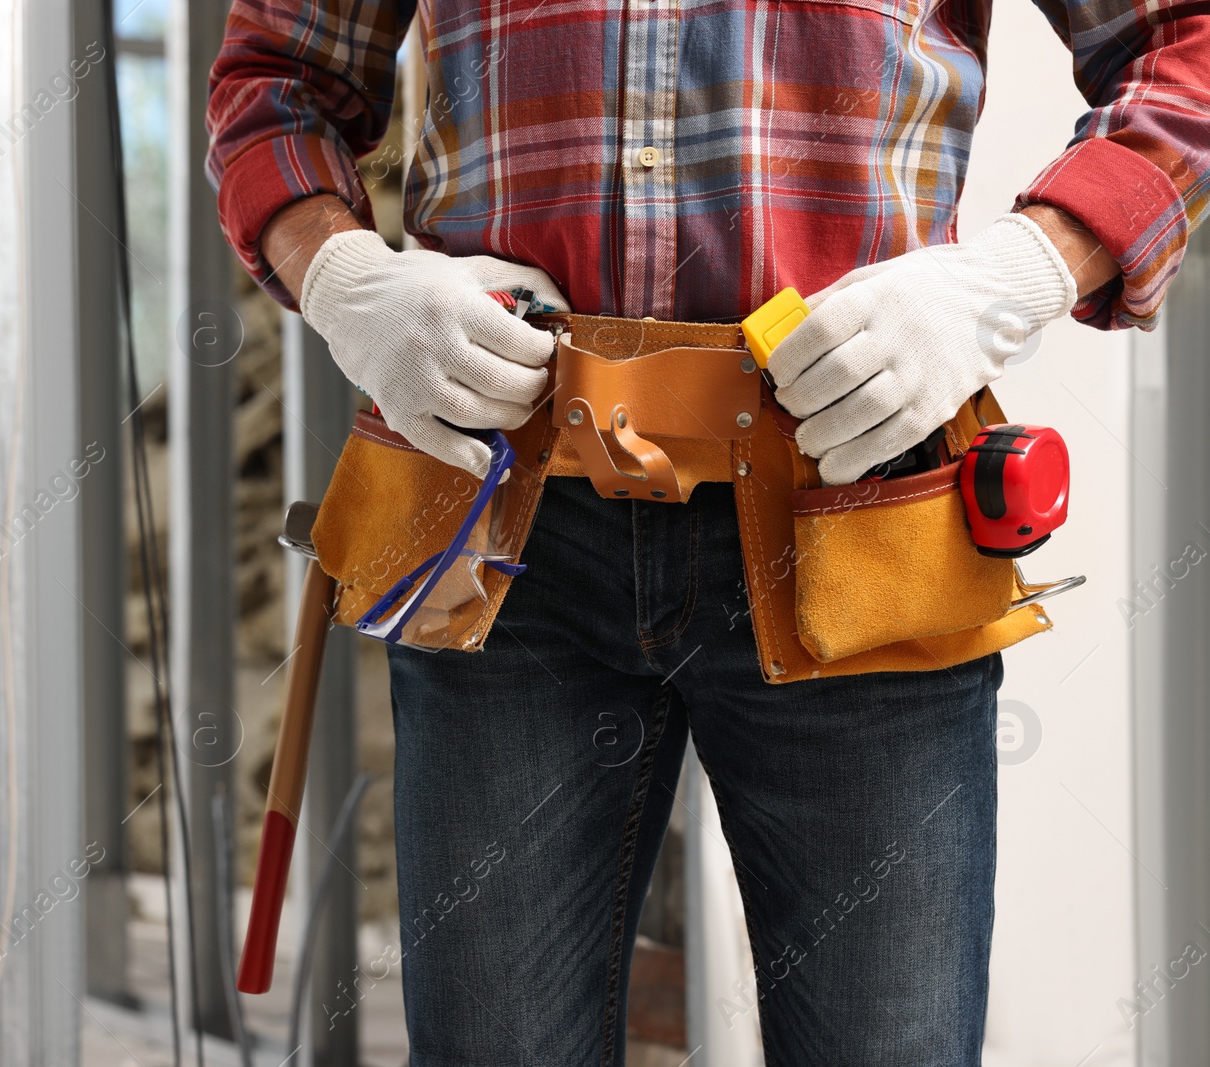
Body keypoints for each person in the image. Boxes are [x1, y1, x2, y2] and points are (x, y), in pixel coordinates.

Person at [206, 1, 1208, 1063]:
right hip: (510, 508)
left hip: (852, 512)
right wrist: (343, 277)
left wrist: (1019, 271)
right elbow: (275, 80)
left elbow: (1183, 40)